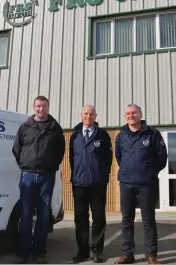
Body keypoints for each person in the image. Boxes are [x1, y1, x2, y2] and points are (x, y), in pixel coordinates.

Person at [12, 95, 65, 264]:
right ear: (34, 107)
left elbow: (60, 151)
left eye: (43, 106)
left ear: (48, 108)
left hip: (46, 176)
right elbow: (16, 148)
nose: (41, 109)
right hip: (27, 175)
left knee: (43, 215)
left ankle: (39, 252)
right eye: (38, 106)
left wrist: (50, 166)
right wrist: (24, 164)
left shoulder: (55, 128)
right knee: (26, 214)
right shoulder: (25, 127)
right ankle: (23, 252)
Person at [114, 104, 167, 265]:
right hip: (126, 183)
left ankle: (151, 255)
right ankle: (127, 254)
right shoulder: (121, 135)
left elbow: (162, 158)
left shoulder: (153, 134)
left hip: (146, 184)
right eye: (128, 113)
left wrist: (149, 172)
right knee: (126, 220)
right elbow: (119, 157)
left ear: (140, 114)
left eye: (134, 113)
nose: (131, 115)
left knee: (148, 220)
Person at [69, 105, 113, 263]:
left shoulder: (103, 135)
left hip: (97, 184)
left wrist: (103, 177)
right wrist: (74, 176)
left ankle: (96, 251)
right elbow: (72, 159)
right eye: (86, 113)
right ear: (81, 115)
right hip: (79, 184)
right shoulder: (74, 136)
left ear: (96, 116)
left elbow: (109, 159)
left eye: (91, 114)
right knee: (80, 218)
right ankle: (82, 251)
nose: (88, 116)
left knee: (99, 218)